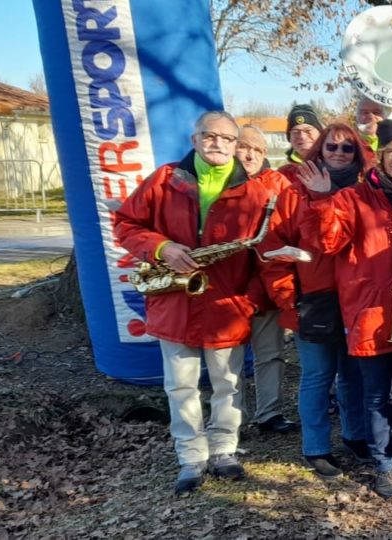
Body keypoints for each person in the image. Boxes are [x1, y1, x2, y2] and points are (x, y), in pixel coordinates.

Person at [114, 111, 271, 494]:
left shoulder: (255, 193)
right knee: (180, 386)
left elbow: (260, 255)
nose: (218, 143)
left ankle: (224, 450)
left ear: (237, 146)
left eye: (226, 138)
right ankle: (190, 457)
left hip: (227, 305)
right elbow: (125, 223)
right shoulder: (164, 180)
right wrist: (162, 248)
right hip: (176, 299)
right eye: (209, 135)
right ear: (194, 139)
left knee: (228, 384)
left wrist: (248, 301)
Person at [299, 119, 392, 498]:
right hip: (371, 313)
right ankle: (382, 464)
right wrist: (322, 200)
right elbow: (326, 243)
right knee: (375, 395)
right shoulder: (353, 198)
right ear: (378, 157)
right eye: (391, 151)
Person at [258, 123, 375, 478]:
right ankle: (316, 447)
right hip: (313, 301)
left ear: (358, 153)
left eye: (347, 148)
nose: (339, 153)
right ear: (319, 151)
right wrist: (288, 300)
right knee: (317, 375)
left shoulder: (366, 193)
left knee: (353, 375)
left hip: (355, 300)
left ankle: (355, 436)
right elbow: (273, 252)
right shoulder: (295, 193)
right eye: (331, 147)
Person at [235, 125, 297, 435]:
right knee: (229, 358)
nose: (249, 154)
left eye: (257, 149)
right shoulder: (219, 180)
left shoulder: (279, 185)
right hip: (228, 286)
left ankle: (269, 412)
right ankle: (233, 418)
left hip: (267, 283)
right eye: (243, 147)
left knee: (270, 352)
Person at [281, 104, 324, 172]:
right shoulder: (283, 174)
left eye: (308, 130)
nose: (302, 137)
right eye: (295, 132)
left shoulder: (335, 165)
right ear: (289, 138)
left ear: (320, 133)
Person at [355, 97, 386, 171]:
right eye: (364, 112)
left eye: (376, 112)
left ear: (384, 116)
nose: (371, 117)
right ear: (357, 117)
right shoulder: (347, 145)